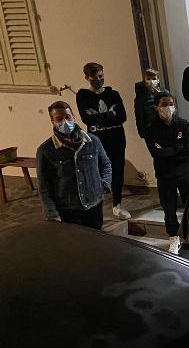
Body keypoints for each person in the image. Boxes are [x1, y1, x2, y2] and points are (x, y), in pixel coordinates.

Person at [37, 101, 112, 229]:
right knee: (74, 241)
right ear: (52, 121)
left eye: (68, 117)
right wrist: (51, 213)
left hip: (93, 206)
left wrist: (103, 184)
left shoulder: (92, 141)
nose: (65, 122)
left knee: (95, 239)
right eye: (59, 119)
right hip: (68, 210)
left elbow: (106, 165)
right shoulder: (46, 150)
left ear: (74, 117)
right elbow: (44, 186)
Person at [76, 62, 130, 220]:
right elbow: (87, 119)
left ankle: (117, 204)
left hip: (116, 138)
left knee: (118, 169)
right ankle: (96, 204)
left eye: (100, 76)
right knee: (97, 170)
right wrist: (110, 117)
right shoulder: (83, 96)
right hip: (97, 139)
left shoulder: (113, 94)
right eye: (94, 78)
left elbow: (122, 117)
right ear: (87, 78)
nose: (98, 80)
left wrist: (99, 118)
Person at [144, 91, 189, 255]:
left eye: (171, 104)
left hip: (184, 172)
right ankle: (173, 237)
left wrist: (168, 150)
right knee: (169, 208)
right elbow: (156, 153)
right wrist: (177, 148)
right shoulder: (151, 129)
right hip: (164, 174)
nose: (168, 107)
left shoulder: (183, 125)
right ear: (156, 107)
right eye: (164, 104)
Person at [134, 68, 164, 139]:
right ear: (144, 81)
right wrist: (143, 133)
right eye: (148, 79)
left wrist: (160, 95)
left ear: (158, 80)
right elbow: (139, 116)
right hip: (150, 131)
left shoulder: (164, 92)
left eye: (154, 79)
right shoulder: (140, 97)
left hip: (165, 128)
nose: (151, 81)